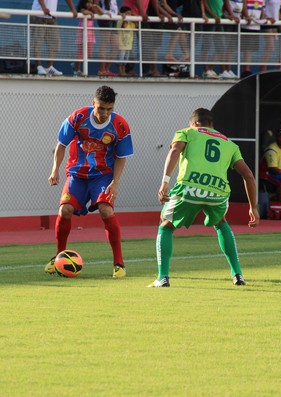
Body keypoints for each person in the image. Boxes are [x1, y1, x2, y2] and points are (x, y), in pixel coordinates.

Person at [148, 107, 259, 288]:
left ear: (196, 123)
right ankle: (237, 275)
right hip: (218, 192)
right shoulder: (230, 144)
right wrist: (253, 207)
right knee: (221, 223)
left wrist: (165, 182)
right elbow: (249, 176)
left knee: (165, 224)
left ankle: (162, 277)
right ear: (211, 124)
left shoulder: (187, 132)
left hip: (190, 188)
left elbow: (175, 150)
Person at [45, 85, 134, 278]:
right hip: (77, 174)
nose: (105, 113)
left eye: (109, 109)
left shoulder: (120, 125)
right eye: (101, 108)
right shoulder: (78, 117)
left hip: (102, 176)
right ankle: (58, 258)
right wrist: (55, 170)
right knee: (64, 210)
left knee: (106, 210)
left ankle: (119, 264)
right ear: (93, 103)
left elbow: (122, 156)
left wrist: (116, 182)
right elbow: (61, 144)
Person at [31, 0, 78, 76]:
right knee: (37, 43)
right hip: (38, 15)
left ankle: (50, 67)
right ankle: (38, 66)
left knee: (54, 43)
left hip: (51, 17)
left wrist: (72, 8)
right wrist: (43, 7)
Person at [72, 0, 104, 76]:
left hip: (90, 34)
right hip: (82, 33)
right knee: (81, 53)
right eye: (88, 2)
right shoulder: (82, 9)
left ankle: (75, 64)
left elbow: (102, 13)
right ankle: (77, 69)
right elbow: (84, 12)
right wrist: (90, 13)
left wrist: (96, 6)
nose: (90, 4)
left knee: (88, 54)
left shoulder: (93, 10)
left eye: (91, 2)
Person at [96, 0, 119, 76]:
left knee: (116, 46)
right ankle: (101, 69)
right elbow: (95, 5)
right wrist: (103, 12)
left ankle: (106, 69)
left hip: (114, 19)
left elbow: (113, 6)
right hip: (105, 18)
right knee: (105, 43)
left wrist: (120, 13)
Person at [116, 6, 137, 76]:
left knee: (125, 59)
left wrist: (134, 17)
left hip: (128, 45)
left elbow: (136, 25)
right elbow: (123, 25)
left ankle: (123, 71)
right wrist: (123, 17)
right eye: (127, 13)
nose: (129, 15)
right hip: (121, 44)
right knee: (120, 58)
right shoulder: (120, 20)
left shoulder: (131, 23)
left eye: (130, 14)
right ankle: (120, 71)